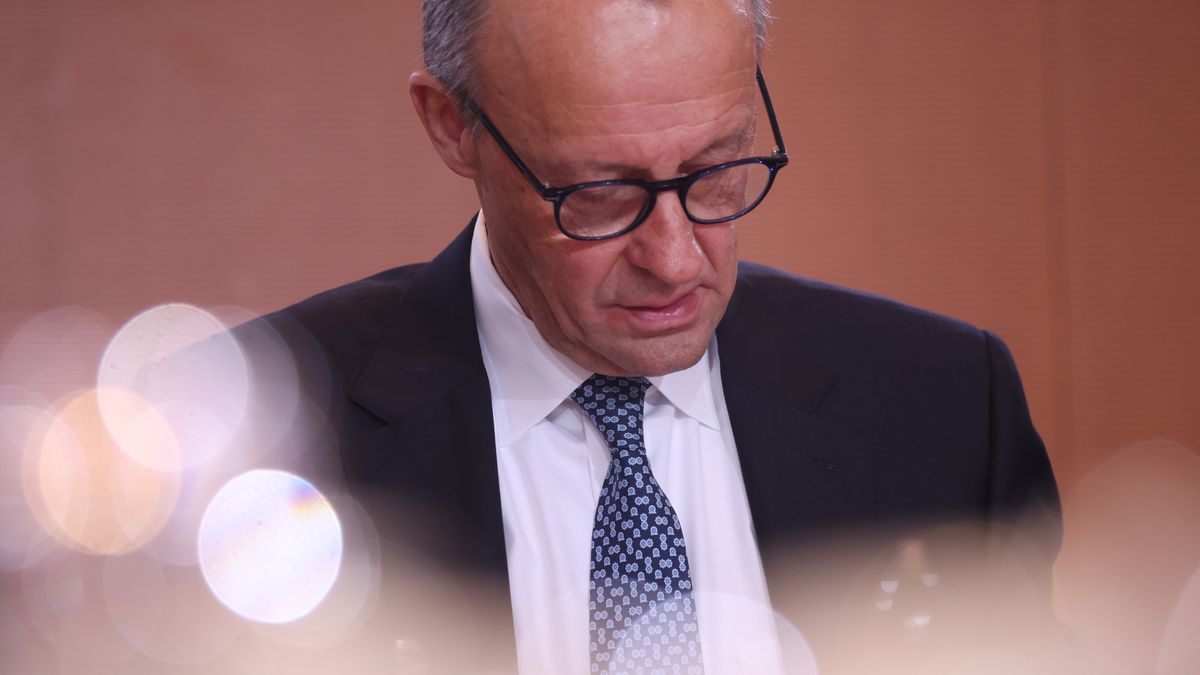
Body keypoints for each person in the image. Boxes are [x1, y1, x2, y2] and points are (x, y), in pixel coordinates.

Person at [233, 0, 1062, 673]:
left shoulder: (949, 409)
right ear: (451, 126)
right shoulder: (258, 447)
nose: (674, 261)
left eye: (718, 167)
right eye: (597, 193)